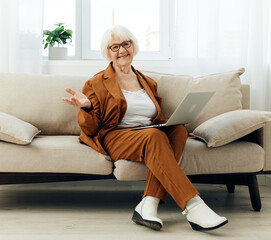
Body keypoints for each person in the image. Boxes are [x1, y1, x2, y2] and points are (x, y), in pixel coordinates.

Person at [62, 25, 228, 231]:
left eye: (126, 44)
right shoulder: (96, 82)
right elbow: (91, 128)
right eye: (115, 47)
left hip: (147, 132)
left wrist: (174, 122)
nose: (122, 50)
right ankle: (193, 205)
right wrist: (86, 108)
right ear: (107, 52)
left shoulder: (147, 82)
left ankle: (149, 203)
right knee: (154, 136)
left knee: (178, 131)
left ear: (134, 46)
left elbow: (153, 117)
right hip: (115, 135)